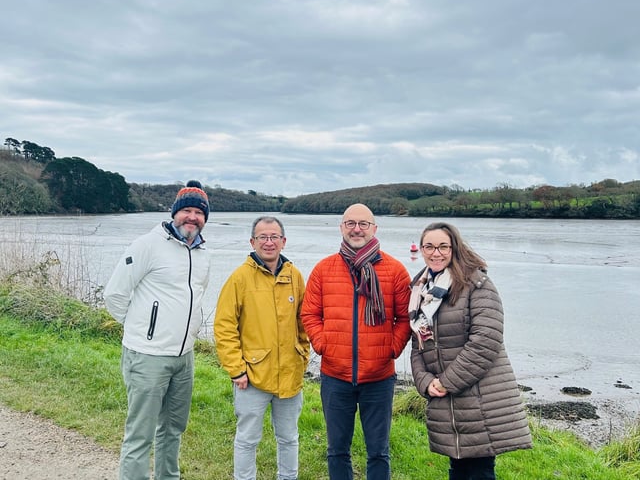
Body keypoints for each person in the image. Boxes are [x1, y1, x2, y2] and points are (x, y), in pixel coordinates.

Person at [104, 180, 213, 480]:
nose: (192, 217)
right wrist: (142, 330)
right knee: (140, 434)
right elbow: (114, 295)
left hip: (184, 358)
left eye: (199, 213)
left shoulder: (203, 254)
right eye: (187, 211)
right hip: (147, 356)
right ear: (174, 212)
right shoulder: (147, 245)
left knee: (173, 429)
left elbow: (196, 297)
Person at [409, 222, 532, 480]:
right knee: (459, 469)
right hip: (448, 401)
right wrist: (425, 382)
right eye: (429, 247)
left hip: (480, 398)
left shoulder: (477, 285)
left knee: (479, 471)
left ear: (455, 248)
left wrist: (446, 382)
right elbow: (418, 344)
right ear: (421, 249)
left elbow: (485, 342)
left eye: (443, 247)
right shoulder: (421, 290)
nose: (436, 253)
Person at [301, 203, 412, 480]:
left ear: (374, 228)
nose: (357, 229)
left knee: (378, 451)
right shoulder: (323, 269)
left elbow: (405, 318)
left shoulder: (395, 271)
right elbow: (310, 313)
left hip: (379, 378)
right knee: (337, 450)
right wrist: (323, 344)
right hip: (335, 376)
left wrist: (391, 349)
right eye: (350, 223)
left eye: (363, 224)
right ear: (342, 227)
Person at [214, 216, 309, 480]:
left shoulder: (294, 275)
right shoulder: (240, 278)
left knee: (289, 437)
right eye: (263, 237)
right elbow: (224, 326)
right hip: (252, 377)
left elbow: (304, 322)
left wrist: (303, 356)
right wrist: (236, 369)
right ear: (252, 242)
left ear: (283, 241)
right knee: (247, 439)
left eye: (274, 237)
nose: (269, 242)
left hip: (290, 374)